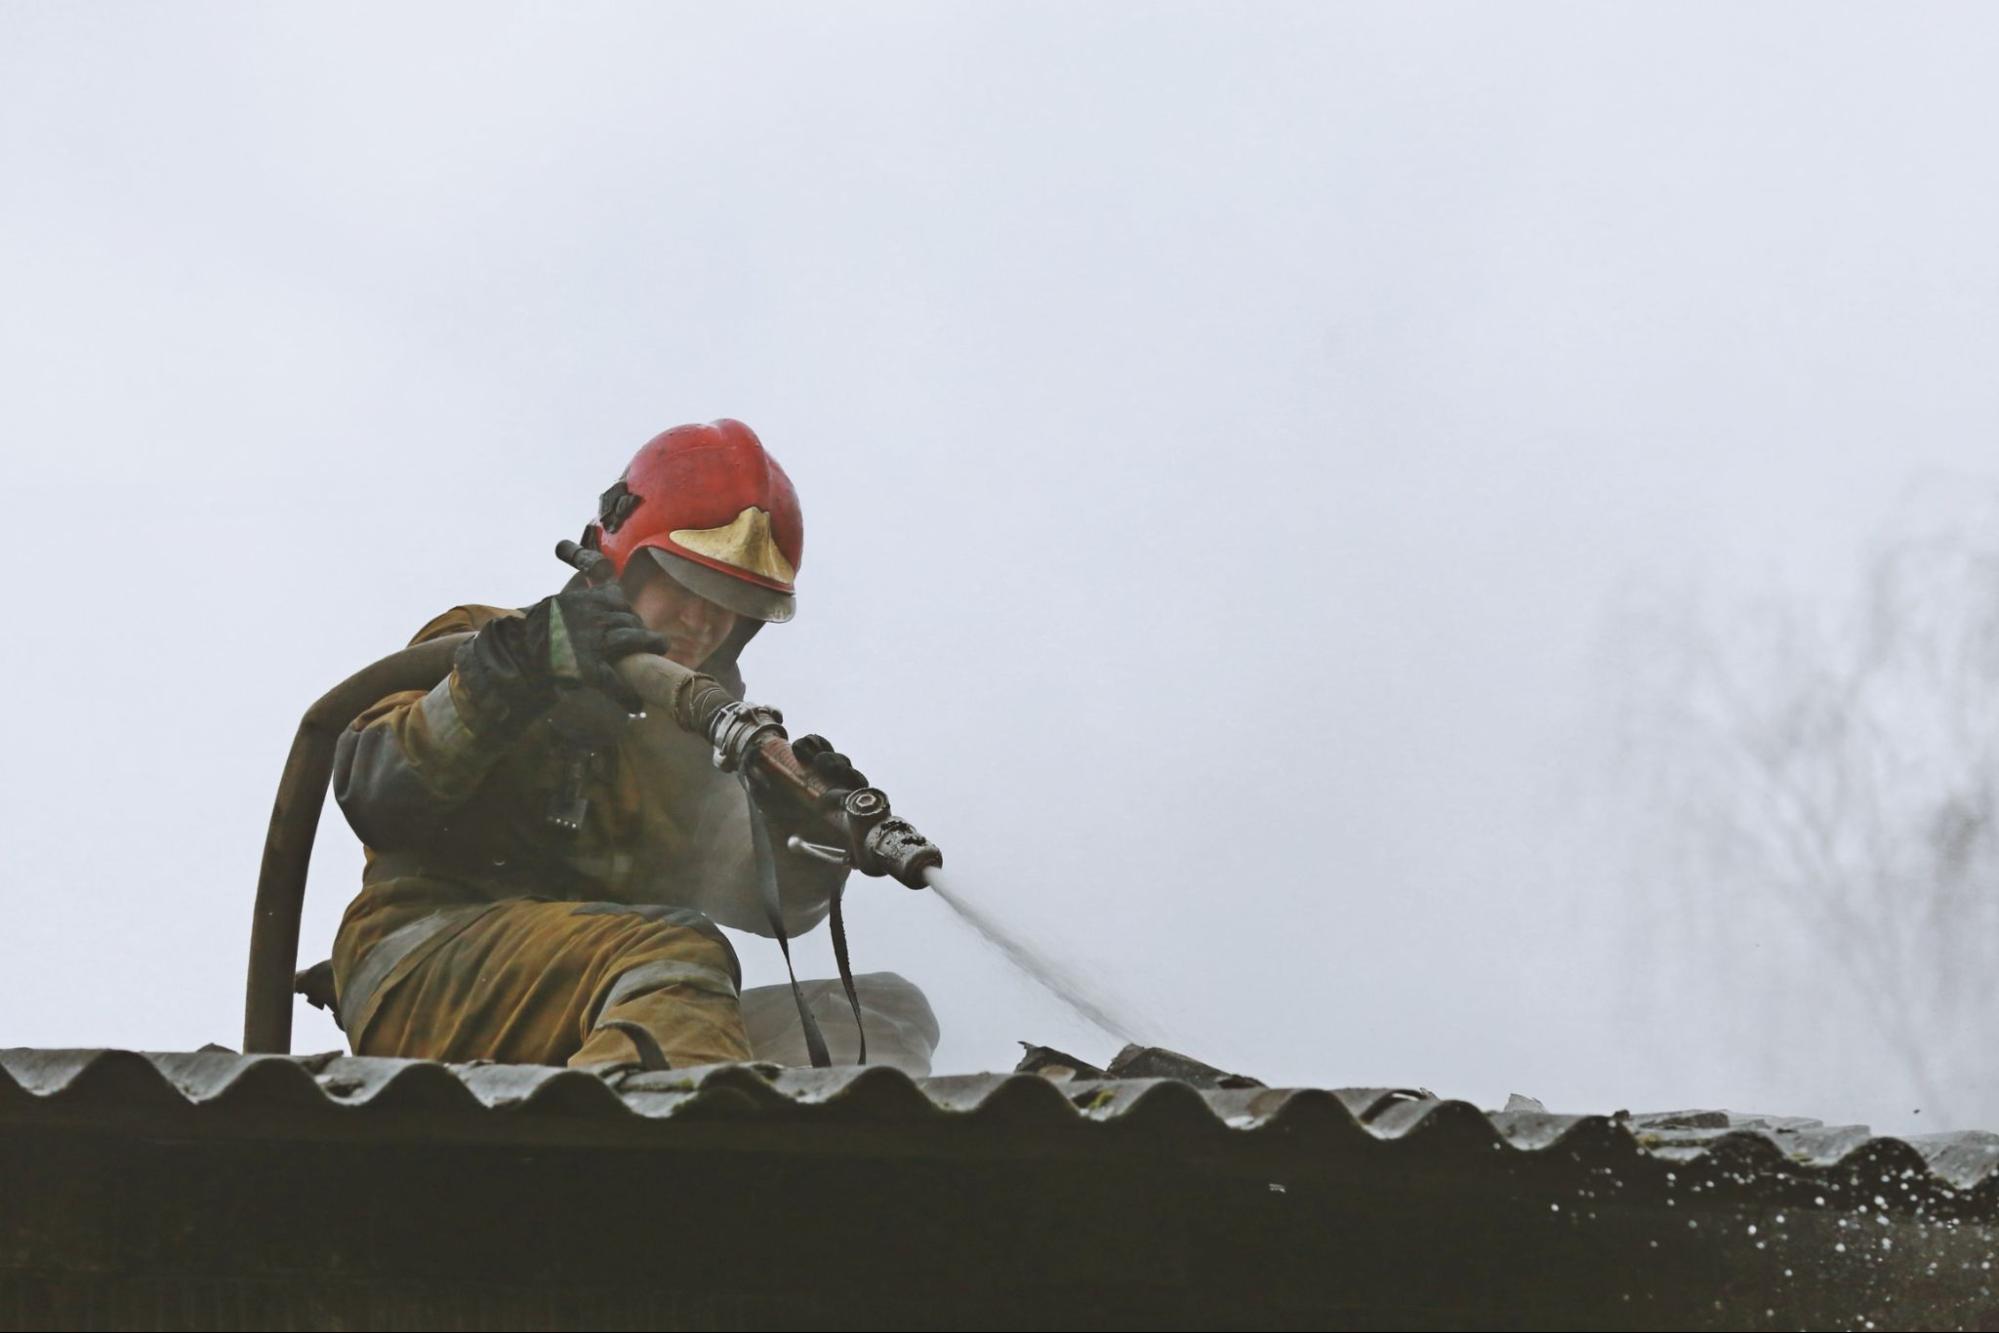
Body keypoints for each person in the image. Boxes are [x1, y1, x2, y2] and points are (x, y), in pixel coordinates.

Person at [325, 419, 937, 1072]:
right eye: (684, 584)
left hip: (610, 995)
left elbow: (756, 900)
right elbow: (377, 791)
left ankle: (825, 1164)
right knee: (677, 953)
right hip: (429, 971)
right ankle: (634, 1162)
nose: (703, 621)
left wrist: (799, 832)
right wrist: (518, 672)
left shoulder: (690, 745)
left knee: (880, 1013)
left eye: (730, 602)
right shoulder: (486, 642)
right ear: (623, 562)